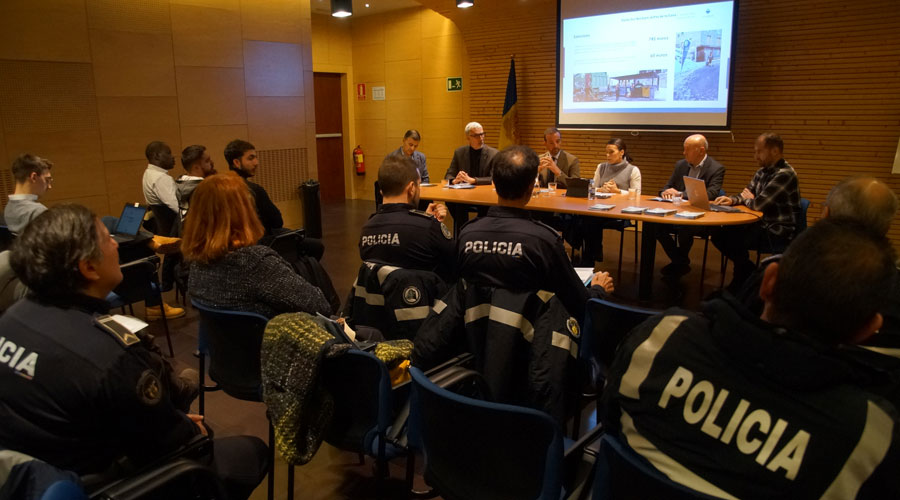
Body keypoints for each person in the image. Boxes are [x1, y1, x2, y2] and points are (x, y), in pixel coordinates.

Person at [602, 219, 900, 499]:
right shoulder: (870, 440)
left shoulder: (658, 338)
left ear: (768, 281)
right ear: (868, 330)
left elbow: (610, 423)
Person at [0, 204, 268, 499]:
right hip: (106, 483)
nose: (115, 243)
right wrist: (181, 429)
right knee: (251, 451)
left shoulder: (10, 319)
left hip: (37, 472)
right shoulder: (109, 356)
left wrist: (167, 421)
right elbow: (171, 443)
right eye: (107, 238)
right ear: (88, 267)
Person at [456, 145, 613, 321]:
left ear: (495, 182)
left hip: (473, 331)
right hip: (529, 333)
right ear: (531, 187)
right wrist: (598, 290)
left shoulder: (466, 233)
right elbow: (579, 302)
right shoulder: (545, 241)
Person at [183, 173, 330, 319]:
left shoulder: (196, 263)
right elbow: (319, 306)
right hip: (264, 341)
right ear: (244, 213)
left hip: (218, 343)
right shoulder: (256, 262)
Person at [712, 132, 800, 291]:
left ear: (774, 151)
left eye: (759, 151)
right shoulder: (762, 172)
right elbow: (746, 194)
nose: (755, 156)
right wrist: (732, 200)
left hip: (776, 227)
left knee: (734, 238)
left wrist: (749, 199)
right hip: (758, 223)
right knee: (719, 234)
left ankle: (742, 275)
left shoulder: (785, 174)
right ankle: (747, 270)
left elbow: (758, 204)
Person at [225, 139, 326, 261]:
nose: (256, 162)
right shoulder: (255, 190)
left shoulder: (221, 188)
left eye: (256, 158)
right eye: (250, 158)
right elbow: (277, 221)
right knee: (316, 246)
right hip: (260, 243)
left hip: (234, 244)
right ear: (236, 162)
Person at [656, 134, 726, 276]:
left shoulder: (716, 168)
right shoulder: (680, 165)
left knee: (685, 226)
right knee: (654, 225)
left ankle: (678, 262)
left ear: (701, 150)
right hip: (676, 211)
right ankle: (680, 260)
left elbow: (712, 193)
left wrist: (680, 194)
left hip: (701, 216)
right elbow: (667, 186)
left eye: (687, 149)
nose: (684, 152)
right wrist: (665, 192)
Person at [581, 138, 641, 267]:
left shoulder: (633, 170)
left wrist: (617, 191)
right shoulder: (601, 167)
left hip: (620, 212)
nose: (607, 155)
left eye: (611, 152)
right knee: (583, 217)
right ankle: (590, 256)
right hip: (599, 208)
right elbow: (593, 187)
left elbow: (637, 195)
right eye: (606, 152)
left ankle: (590, 255)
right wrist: (601, 189)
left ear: (621, 152)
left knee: (590, 220)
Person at [3, 153, 52, 235]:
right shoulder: (37, 212)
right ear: (34, 177)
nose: (49, 186)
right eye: (47, 180)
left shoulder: (8, 208)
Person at [175, 144, 217, 219]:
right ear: (196, 167)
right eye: (207, 161)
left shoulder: (179, 185)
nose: (212, 163)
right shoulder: (205, 189)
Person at [142, 141, 180, 217]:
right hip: (173, 226)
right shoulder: (160, 178)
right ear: (157, 156)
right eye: (169, 153)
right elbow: (178, 208)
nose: (173, 156)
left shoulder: (148, 173)